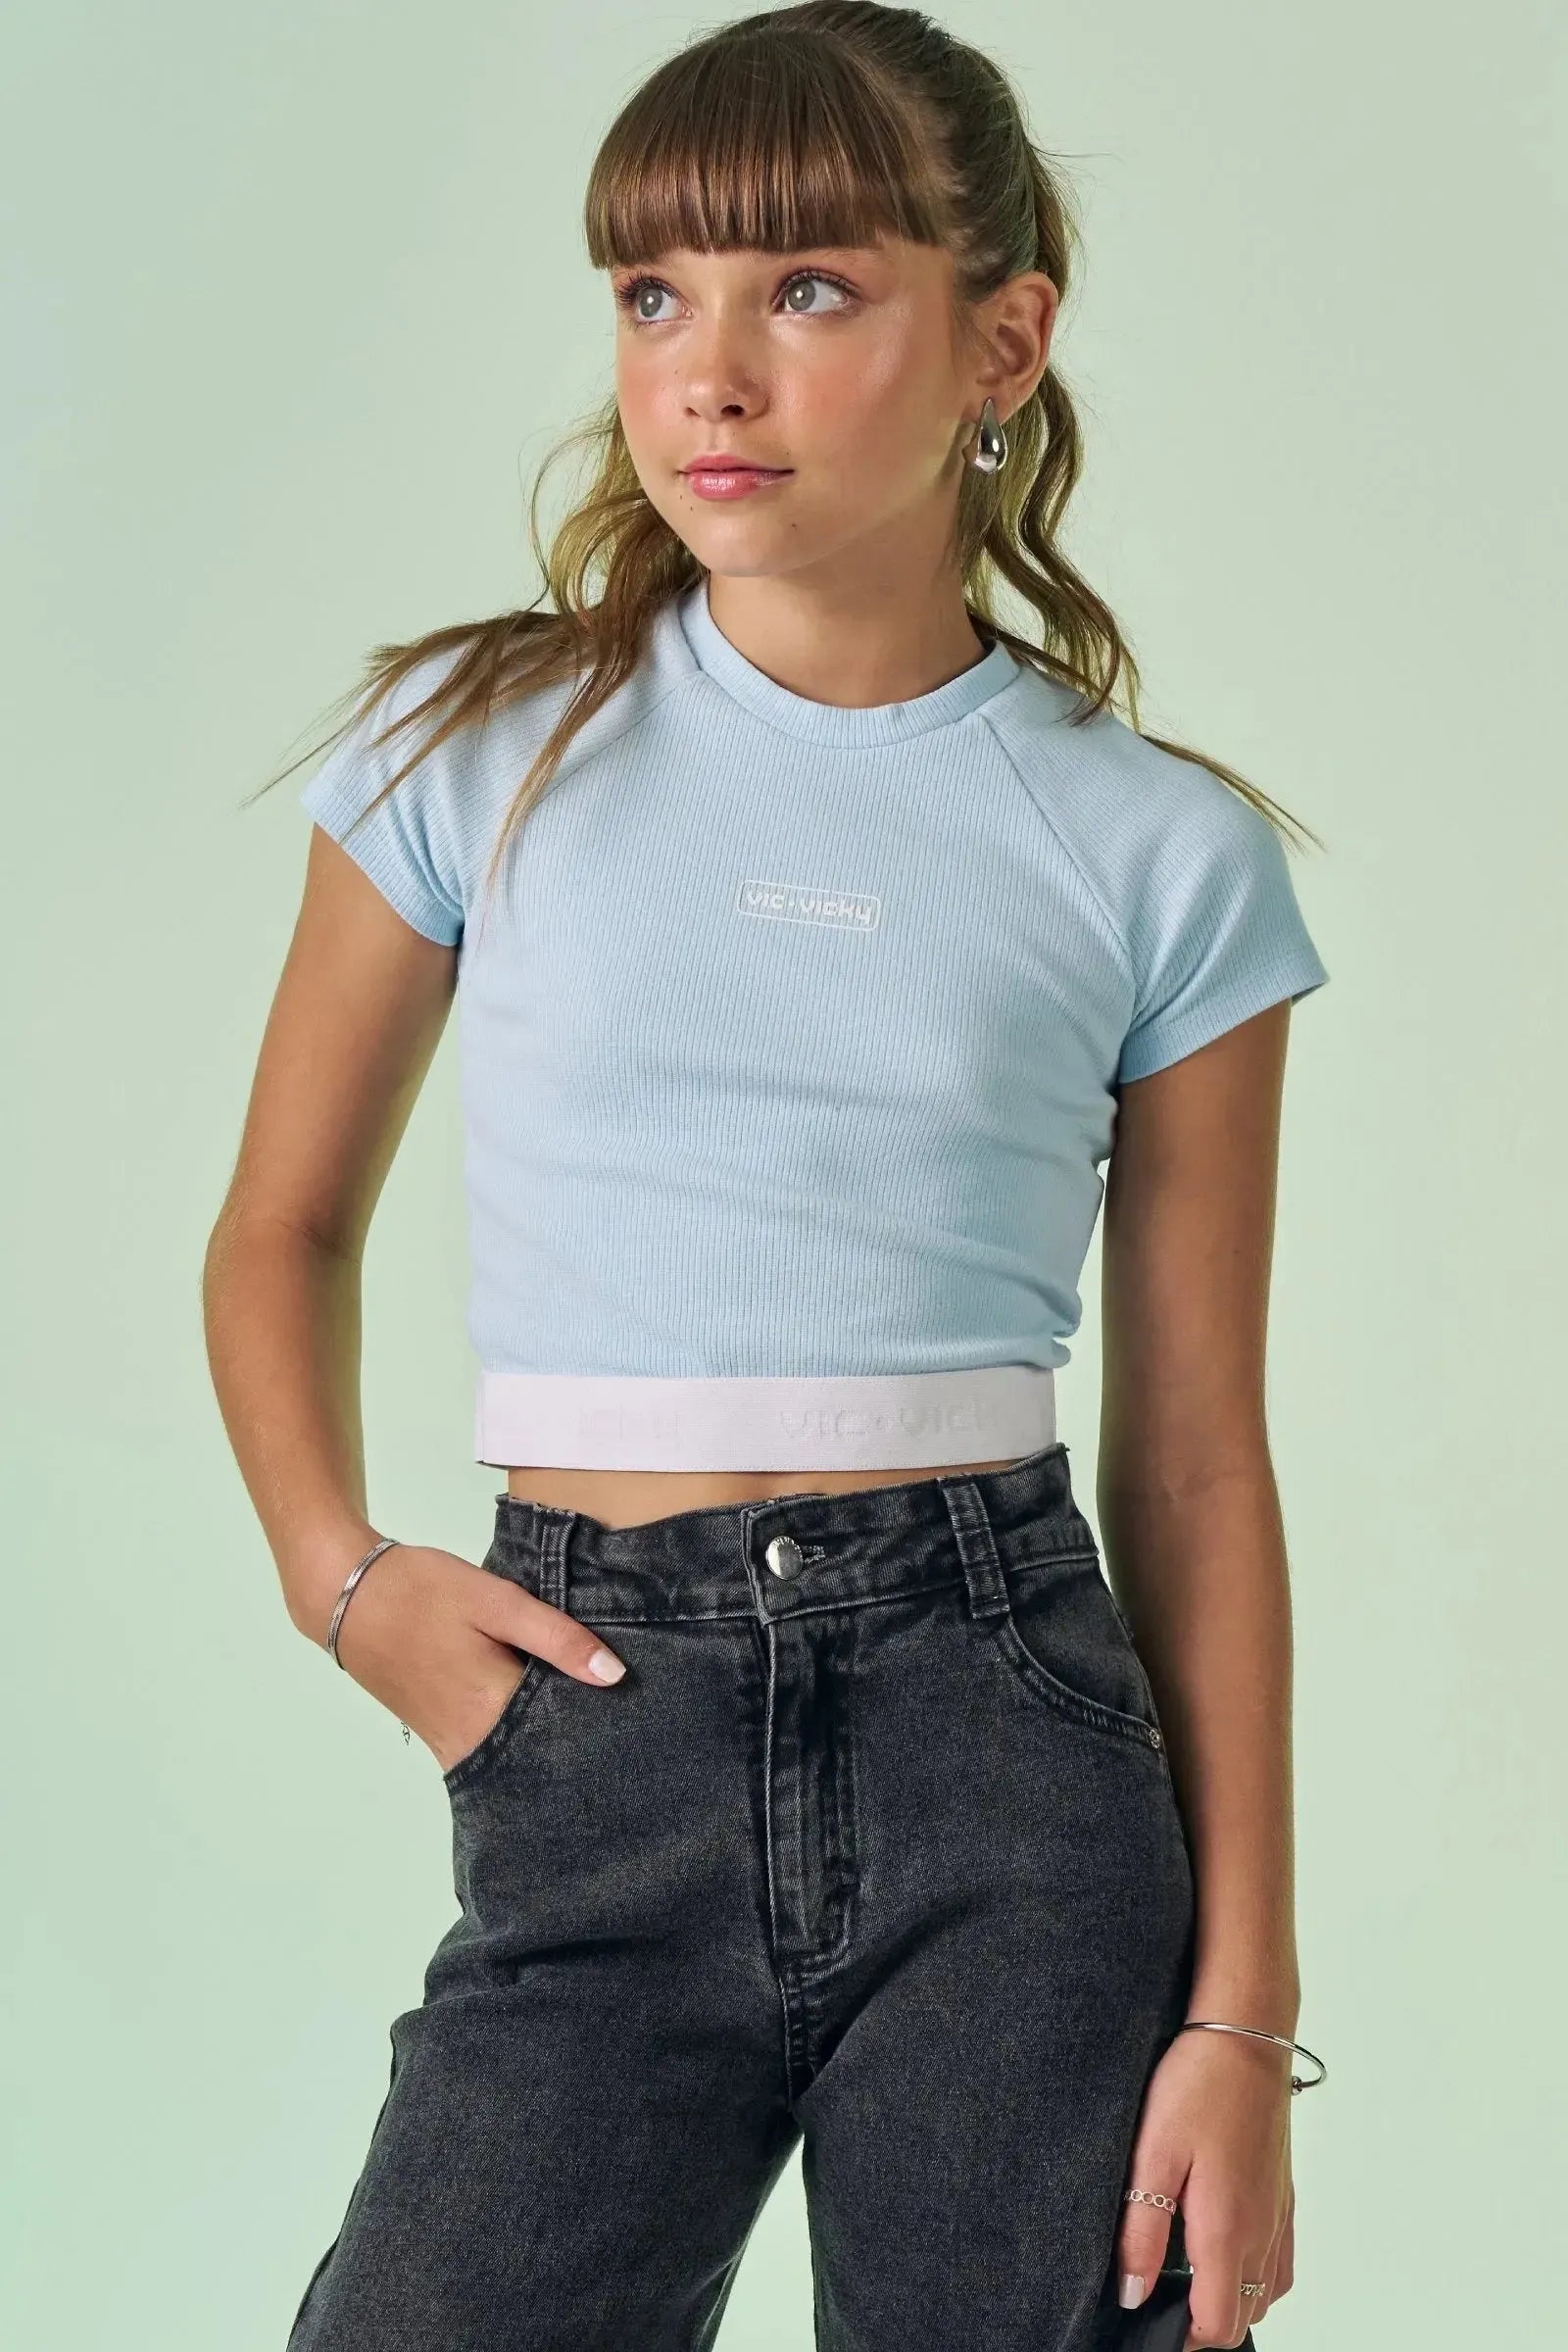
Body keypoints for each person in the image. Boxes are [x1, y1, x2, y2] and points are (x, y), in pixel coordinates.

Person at [207, 7, 1332, 2346]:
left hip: (1003, 1754)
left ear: (998, 342)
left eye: (806, 288)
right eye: (653, 294)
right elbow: (278, 1226)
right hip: (588, 1729)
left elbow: (1193, 1461)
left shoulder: (1156, 854)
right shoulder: (477, 753)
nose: (706, 372)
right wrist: (343, 1581)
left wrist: (1240, 2022)